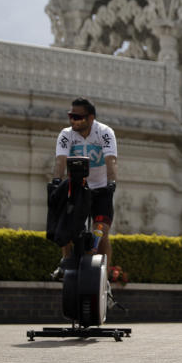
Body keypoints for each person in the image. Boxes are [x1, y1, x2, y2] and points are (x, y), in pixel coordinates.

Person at [51, 98, 118, 268]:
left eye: (78, 117)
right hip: (78, 187)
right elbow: (60, 161)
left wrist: (111, 182)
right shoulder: (66, 134)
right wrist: (56, 180)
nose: (73, 120)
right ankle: (65, 262)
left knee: (101, 232)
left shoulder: (105, 132)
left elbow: (111, 160)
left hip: (101, 189)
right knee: (64, 228)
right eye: (70, 116)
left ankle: (105, 275)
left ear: (91, 118)